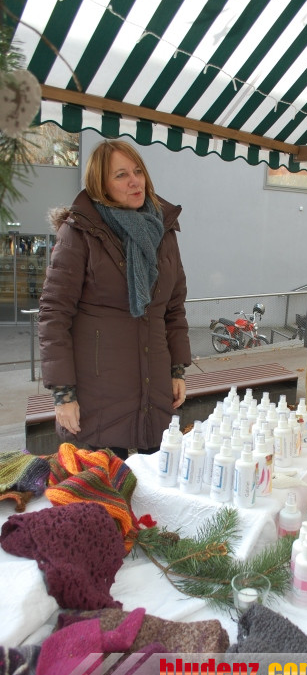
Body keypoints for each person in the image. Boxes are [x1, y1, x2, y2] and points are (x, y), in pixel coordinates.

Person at [39, 139, 191, 459]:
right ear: (101, 185)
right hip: (99, 394)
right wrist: (63, 394)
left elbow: (173, 309)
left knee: (155, 480)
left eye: (138, 171)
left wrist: (177, 369)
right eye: (121, 175)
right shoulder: (79, 232)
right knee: (105, 482)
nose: (135, 181)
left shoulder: (163, 231)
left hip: (154, 388)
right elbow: (54, 315)